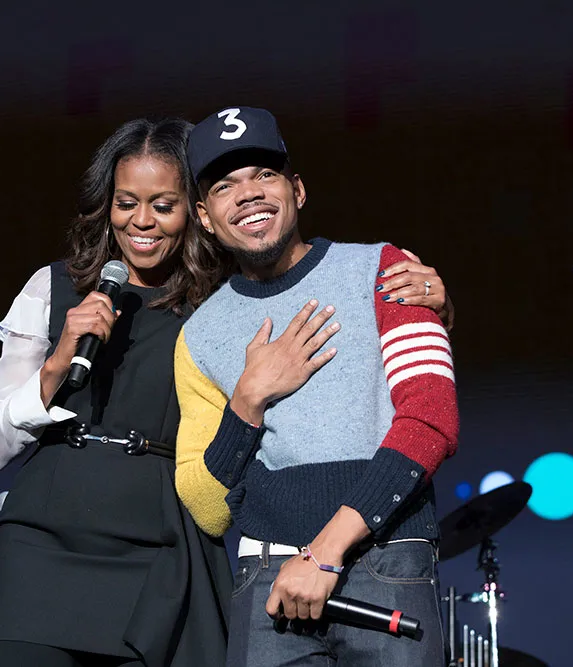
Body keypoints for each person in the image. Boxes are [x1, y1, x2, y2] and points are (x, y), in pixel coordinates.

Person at [0, 116, 454, 667]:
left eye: (164, 203)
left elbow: (403, 394)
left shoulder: (217, 306)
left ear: (193, 214)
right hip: (53, 543)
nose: (143, 221)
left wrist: (432, 310)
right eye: (127, 202)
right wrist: (61, 361)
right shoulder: (69, 291)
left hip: (171, 549)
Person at [174, 106, 458, 667]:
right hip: (266, 575)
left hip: (385, 557)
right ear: (206, 217)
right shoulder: (198, 336)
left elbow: (431, 418)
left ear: (297, 190)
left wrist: (325, 553)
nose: (248, 194)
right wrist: (247, 400)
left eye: (264, 174)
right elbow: (208, 509)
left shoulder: (385, 269)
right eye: (225, 185)